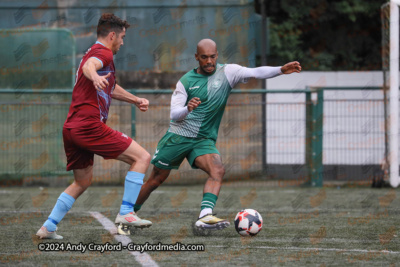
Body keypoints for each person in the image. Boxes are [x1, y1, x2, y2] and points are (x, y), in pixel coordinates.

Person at [132, 38, 302, 230]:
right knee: (156, 180)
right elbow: (174, 114)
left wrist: (280, 70)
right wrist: (188, 108)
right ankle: (128, 213)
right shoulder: (186, 81)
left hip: (203, 140)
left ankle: (205, 216)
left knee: (217, 170)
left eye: (212, 57)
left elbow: (256, 72)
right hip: (178, 137)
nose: (209, 61)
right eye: (204, 57)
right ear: (197, 57)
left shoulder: (228, 72)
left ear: (217, 55)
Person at [36, 13, 152, 239]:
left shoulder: (92, 51)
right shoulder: (103, 52)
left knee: (82, 181)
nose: (123, 42)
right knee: (142, 158)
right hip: (88, 126)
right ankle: (127, 212)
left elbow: (111, 86)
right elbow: (91, 67)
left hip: (71, 128)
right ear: (112, 36)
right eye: (122, 37)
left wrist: (135, 100)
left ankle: (48, 227)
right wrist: (94, 76)